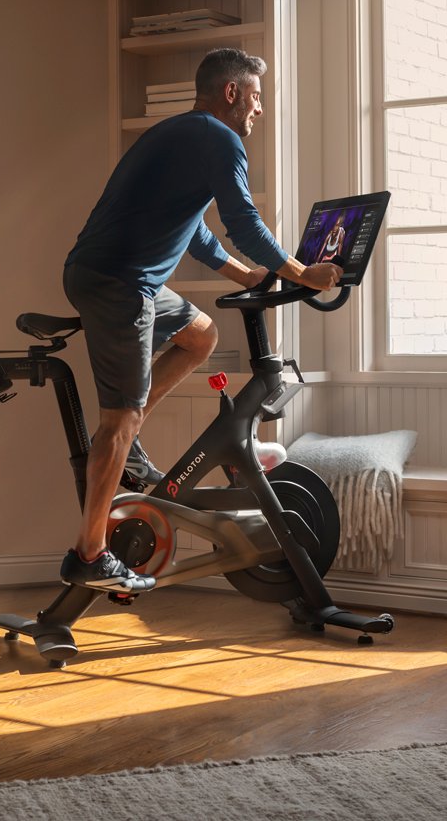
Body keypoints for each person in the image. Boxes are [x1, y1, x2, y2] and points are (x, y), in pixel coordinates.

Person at [59, 47, 342, 591]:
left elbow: (194, 229)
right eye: (256, 98)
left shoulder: (178, 134)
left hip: (106, 275)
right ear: (232, 93)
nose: (259, 110)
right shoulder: (219, 138)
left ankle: (128, 440)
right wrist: (302, 273)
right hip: (123, 284)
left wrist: (247, 278)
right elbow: (242, 220)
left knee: (201, 334)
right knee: (119, 418)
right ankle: (89, 553)